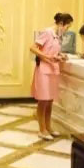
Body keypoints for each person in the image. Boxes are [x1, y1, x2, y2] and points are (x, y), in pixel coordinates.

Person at [30, 11, 73, 140]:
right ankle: (41, 130)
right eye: (67, 27)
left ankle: (48, 127)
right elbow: (33, 48)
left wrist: (60, 56)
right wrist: (47, 57)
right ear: (61, 24)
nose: (67, 30)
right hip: (43, 70)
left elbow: (52, 51)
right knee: (43, 100)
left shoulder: (58, 36)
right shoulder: (47, 32)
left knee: (49, 101)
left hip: (53, 70)